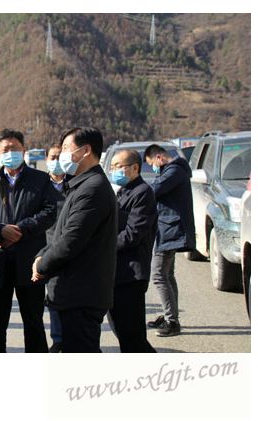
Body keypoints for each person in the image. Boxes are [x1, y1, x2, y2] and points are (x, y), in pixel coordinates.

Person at [32, 127, 117, 353]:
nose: (62, 156)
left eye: (66, 149)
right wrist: (42, 254)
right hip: (75, 291)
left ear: (85, 150)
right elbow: (61, 232)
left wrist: (41, 265)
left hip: (82, 294)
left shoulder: (92, 188)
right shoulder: (81, 185)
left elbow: (71, 240)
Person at [0, 128, 57, 353]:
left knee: (33, 323)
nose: (10, 153)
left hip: (29, 259)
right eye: (5, 149)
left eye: (15, 148)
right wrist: (0, 230)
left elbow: (49, 212)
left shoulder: (41, 179)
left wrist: (20, 230)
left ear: (24, 150)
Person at [107, 149, 157, 352]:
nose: (114, 171)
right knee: (123, 331)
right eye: (112, 167)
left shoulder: (142, 193)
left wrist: (103, 247)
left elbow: (132, 234)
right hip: (117, 273)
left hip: (131, 274)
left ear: (135, 168)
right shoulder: (123, 190)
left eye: (118, 166)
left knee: (132, 336)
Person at [144, 144, 196, 337]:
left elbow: (154, 190)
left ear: (159, 157)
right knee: (167, 274)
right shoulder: (174, 170)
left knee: (159, 275)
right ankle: (170, 315)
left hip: (170, 230)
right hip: (167, 228)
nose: (152, 168)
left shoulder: (174, 171)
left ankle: (172, 322)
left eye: (151, 163)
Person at [44, 142, 73, 353]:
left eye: (59, 157)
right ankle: (58, 338)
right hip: (47, 248)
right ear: (46, 160)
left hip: (71, 246)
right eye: (52, 157)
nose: (56, 161)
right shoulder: (40, 185)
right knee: (52, 296)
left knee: (72, 297)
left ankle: (72, 338)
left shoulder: (75, 184)